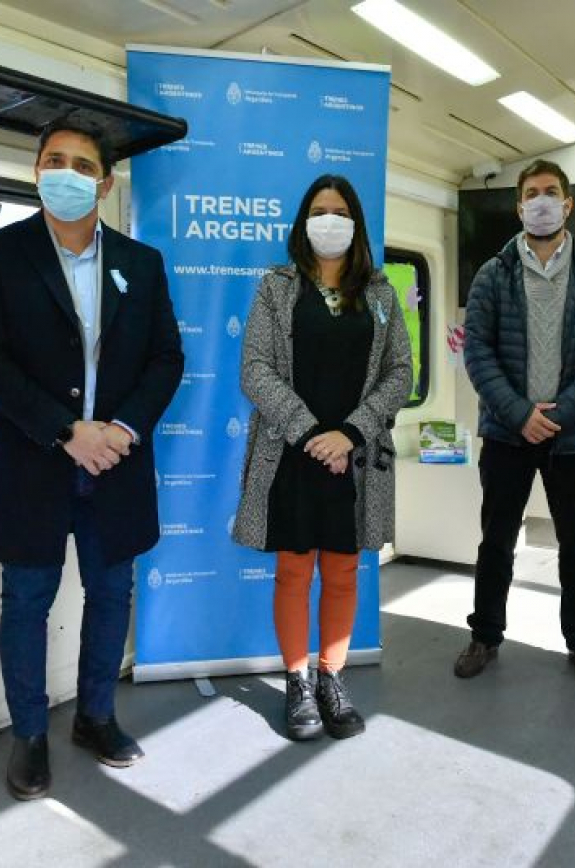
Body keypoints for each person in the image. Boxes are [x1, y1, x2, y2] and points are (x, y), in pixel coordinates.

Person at [0, 116, 183, 800]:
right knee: (27, 599)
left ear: (105, 184)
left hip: (115, 461)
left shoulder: (140, 264)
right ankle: (30, 735)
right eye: (53, 161)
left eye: (82, 166)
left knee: (112, 592)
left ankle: (95, 717)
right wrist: (67, 431)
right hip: (31, 458)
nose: (66, 174)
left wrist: (121, 429)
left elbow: (166, 357)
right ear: (36, 173)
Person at [233, 175, 410, 741]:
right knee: (293, 570)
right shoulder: (276, 287)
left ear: (356, 223)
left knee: (341, 571)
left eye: (339, 211)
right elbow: (255, 369)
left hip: (354, 457)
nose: (328, 220)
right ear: (303, 222)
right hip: (292, 452)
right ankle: (297, 681)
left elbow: (400, 373)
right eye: (318, 210)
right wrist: (312, 433)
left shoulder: (380, 293)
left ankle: (332, 677)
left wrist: (350, 434)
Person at [454, 159, 575, 686]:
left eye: (551, 192)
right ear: (519, 206)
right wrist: (519, 414)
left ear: (568, 205)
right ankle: (485, 635)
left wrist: (560, 415)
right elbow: (478, 352)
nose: (542, 201)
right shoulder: (492, 273)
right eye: (532, 193)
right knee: (496, 541)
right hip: (507, 433)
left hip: (574, 436)